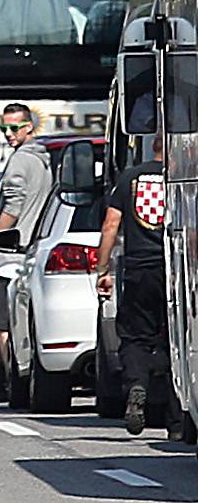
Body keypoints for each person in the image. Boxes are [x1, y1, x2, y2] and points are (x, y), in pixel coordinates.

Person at [98, 157, 170, 435]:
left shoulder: (130, 177)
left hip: (139, 269)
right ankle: (177, 419)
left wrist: (103, 269)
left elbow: (110, 225)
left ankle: (137, 385)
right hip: (176, 268)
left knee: (135, 336)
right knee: (176, 339)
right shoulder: (184, 174)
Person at [0, 104, 52, 395]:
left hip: (11, 253)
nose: (9, 134)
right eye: (4, 129)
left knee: (1, 322)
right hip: (34, 249)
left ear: (29, 127)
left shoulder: (19, 162)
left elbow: (13, 205)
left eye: (14, 128)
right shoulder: (44, 159)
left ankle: (12, 380)